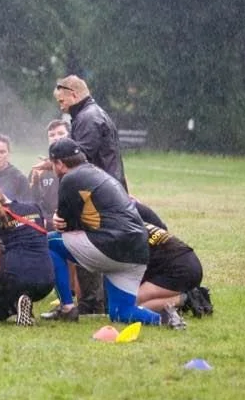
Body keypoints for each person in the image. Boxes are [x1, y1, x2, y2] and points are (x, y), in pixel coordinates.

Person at [45, 137, 184, 328]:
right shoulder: (99, 173)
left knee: (49, 243)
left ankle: (67, 308)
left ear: (59, 163)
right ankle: (166, 319)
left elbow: (65, 225)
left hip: (111, 246)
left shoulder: (70, 178)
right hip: (138, 252)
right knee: (120, 313)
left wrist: (56, 219)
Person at [0, 183, 54, 326]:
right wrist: (1, 252)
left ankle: (15, 306)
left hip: (16, 279)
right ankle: (23, 304)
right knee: (21, 284)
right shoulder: (33, 207)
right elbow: (30, 235)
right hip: (46, 280)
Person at [138, 223, 211, 319]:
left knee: (129, 305)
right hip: (188, 260)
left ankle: (186, 299)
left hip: (178, 270)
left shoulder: (122, 228)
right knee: (130, 300)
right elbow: (160, 225)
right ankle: (186, 294)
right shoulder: (131, 218)